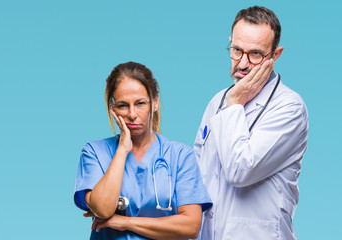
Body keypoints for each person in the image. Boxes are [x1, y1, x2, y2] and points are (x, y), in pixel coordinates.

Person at [193, 6, 309, 240]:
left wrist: (235, 103)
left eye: (255, 54)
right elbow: (197, 177)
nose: (243, 63)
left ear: (275, 55)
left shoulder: (290, 107)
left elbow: (241, 170)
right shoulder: (217, 102)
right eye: (237, 50)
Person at [74, 61, 212, 239]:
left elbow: (191, 226)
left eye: (140, 103)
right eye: (123, 105)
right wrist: (123, 150)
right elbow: (102, 209)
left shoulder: (180, 156)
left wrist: (125, 223)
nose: (132, 114)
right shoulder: (95, 152)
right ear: (112, 107)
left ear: (154, 103)